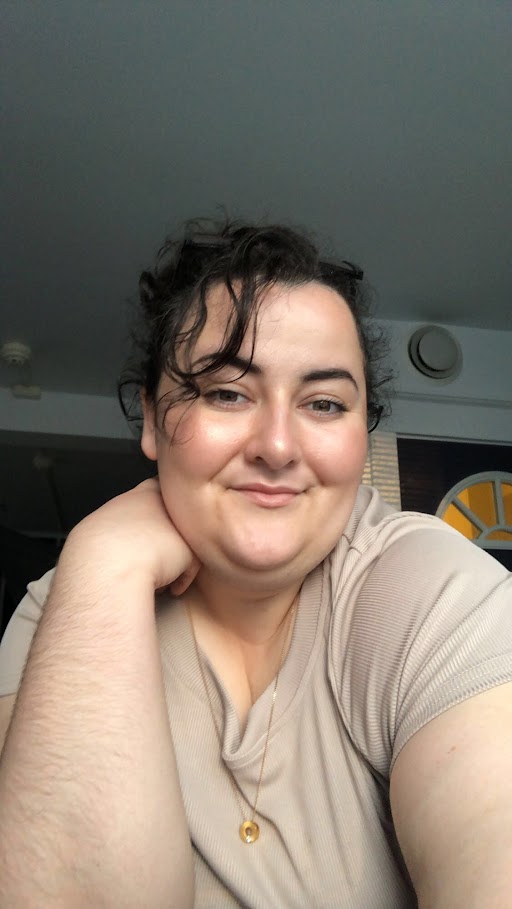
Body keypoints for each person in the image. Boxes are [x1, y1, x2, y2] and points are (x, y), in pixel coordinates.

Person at [0, 221, 511, 909]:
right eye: (226, 393)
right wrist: (101, 560)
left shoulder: (431, 587)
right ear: (151, 419)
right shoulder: (61, 608)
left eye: (324, 404)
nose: (277, 445)